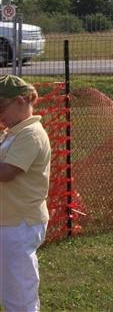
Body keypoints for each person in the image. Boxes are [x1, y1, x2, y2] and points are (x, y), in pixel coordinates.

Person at [0, 75, 51, 312]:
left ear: (20, 101)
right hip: (9, 221)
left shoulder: (30, 134)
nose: (0, 115)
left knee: (20, 294)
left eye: (1, 108)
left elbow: (8, 172)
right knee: (10, 287)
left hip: (20, 224)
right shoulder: (12, 133)